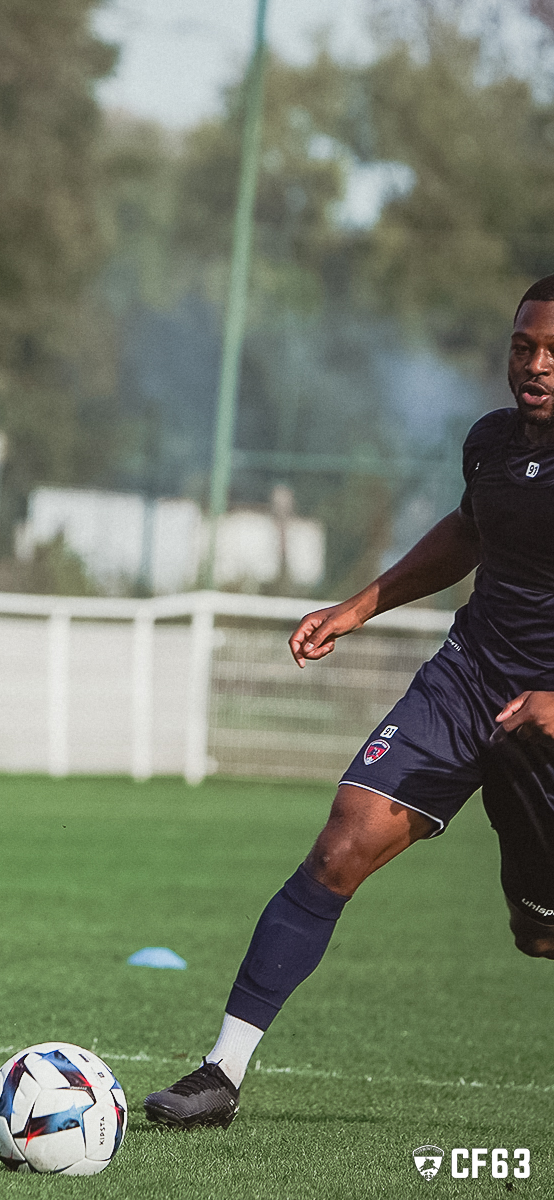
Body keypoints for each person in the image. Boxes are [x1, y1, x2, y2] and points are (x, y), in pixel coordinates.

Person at [144, 278, 554, 1130]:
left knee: (542, 934)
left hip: (546, 722)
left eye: (553, 353)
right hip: (467, 681)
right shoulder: (489, 443)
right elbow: (470, 532)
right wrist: (357, 607)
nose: (536, 366)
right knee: (340, 846)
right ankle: (222, 1071)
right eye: (523, 346)